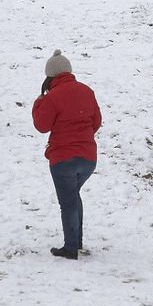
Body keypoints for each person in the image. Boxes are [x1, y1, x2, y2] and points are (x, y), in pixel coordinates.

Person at [32, 50, 102, 259]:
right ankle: (76, 241)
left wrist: (38, 104)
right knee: (73, 196)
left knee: (68, 201)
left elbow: (42, 126)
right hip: (88, 158)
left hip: (63, 159)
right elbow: (96, 121)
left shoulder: (52, 97)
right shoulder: (86, 91)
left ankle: (71, 248)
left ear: (50, 75)